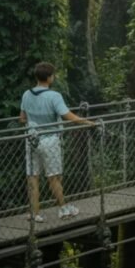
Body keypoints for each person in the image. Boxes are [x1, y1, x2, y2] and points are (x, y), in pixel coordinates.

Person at [20, 62, 94, 222]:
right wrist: (87, 122)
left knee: (32, 177)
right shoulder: (54, 96)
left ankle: (35, 213)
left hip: (31, 140)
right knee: (54, 177)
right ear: (49, 78)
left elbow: (22, 118)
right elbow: (67, 115)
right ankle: (63, 209)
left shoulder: (26, 94)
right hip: (50, 140)